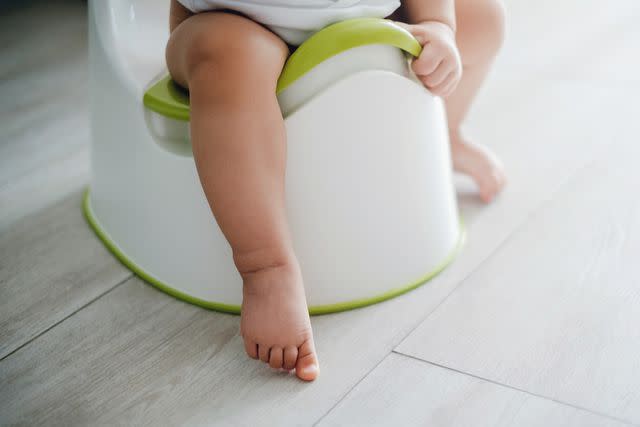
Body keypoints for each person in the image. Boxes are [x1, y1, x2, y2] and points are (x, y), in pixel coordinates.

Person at [165, 0, 506, 381]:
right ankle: (265, 266)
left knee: (483, 19)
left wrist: (438, 24)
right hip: (234, 22)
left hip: (373, 13)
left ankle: (447, 133)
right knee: (228, 57)